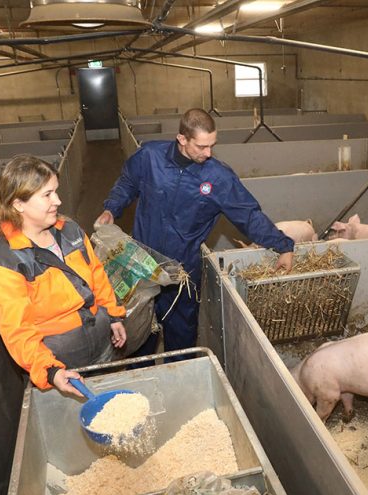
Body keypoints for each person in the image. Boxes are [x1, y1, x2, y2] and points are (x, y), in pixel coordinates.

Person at [96, 108, 294, 355]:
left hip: (183, 272)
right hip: (143, 265)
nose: (208, 153)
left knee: (182, 334)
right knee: (140, 331)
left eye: (212, 145)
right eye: (201, 146)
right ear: (182, 139)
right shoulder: (149, 157)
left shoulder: (218, 176)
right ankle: (143, 378)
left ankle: (179, 375)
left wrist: (283, 245)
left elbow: (249, 215)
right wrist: (111, 209)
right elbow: (127, 183)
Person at [0, 155, 127, 397]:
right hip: (61, 363)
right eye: (47, 195)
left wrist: (113, 316)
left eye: (56, 191)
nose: (57, 200)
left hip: (101, 343)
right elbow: (17, 330)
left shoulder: (69, 230)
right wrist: (50, 371)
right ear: (18, 204)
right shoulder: (2, 261)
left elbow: (97, 275)